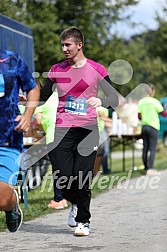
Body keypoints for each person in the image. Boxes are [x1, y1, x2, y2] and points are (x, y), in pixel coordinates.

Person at [40, 27, 118, 236]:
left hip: (87, 129)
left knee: (82, 177)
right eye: (62, 45)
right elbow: (42, 95)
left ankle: (83, 221)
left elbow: (114, 98)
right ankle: (73, 202)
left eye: (68, 45)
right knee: (62, 177)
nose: (64, 49)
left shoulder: (96, 69)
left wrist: (101, 100)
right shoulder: (57, 69)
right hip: (62, 128)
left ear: (79, 45)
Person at [0, 49, 39, 232]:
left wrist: (27, 115)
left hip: (8, 136)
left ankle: (12, 205)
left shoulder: (11, 59)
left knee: (2, 199)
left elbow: (32, 87)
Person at [34, 86, 68, 209]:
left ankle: (59, 199)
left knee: (57, 169)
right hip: (68, 136)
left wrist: (44, 130)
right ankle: (65, 197)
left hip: (53, 137)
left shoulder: (41, 100)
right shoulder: (61, 97)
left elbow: (37, 122)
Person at [138, 84, 167, 175]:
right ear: (152, 91)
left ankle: (146, 168)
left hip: (144, 126)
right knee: (152, 148)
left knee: (145, 148)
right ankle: (151, 168)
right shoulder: (155, 102)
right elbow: (163, 113)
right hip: (153, 126)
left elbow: (139, 116)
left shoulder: (141, 102)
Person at [94, 106, 112, 175]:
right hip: (98, 130)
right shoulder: (99, 108)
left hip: (102, 130)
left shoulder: (104, 108)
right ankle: (97, 171)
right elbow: (103, 117)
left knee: (102, 151)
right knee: (100, 151)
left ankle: (98, 170)